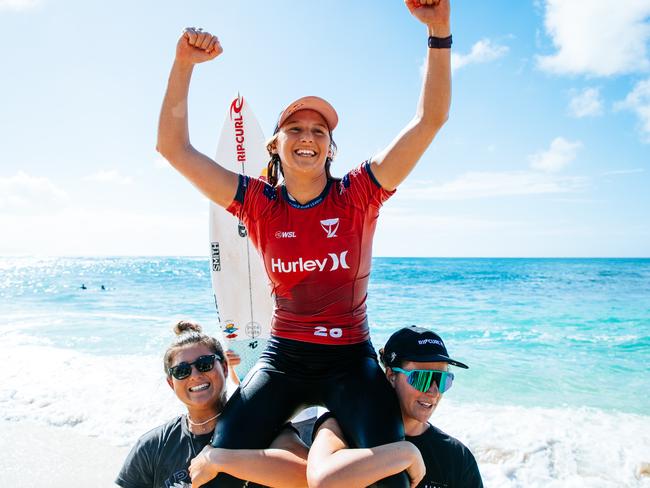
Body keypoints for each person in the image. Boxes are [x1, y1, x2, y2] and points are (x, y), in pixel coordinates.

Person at [156, 1, 451, 486]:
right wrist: (183, 65)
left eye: (320, 131)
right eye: (295, 128)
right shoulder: (258, 202)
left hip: (351, 361)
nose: (307, 137)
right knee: (222, 456)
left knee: (391, 481)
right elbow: (173, 148)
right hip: (284, 359)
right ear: (275, 145)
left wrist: (438, 33)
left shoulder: (360, 194)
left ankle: (334, 461)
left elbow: (430, 120)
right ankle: (312, 465)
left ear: (331, 148)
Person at [115, 321, 308, 488]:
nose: (196, 375)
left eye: (205, 364)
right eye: (182, 371)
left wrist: (217, 459)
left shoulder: (262, 427)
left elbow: (306, 477)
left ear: (224, 368)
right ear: (171, 383)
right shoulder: (153, 446)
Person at [308, 326, 483, 488]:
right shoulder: (343, 429)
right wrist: (407, 453)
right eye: (422, 378)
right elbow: (323, 479)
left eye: (443, 380)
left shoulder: (456, 456)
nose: (434, 391)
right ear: (391, 376)